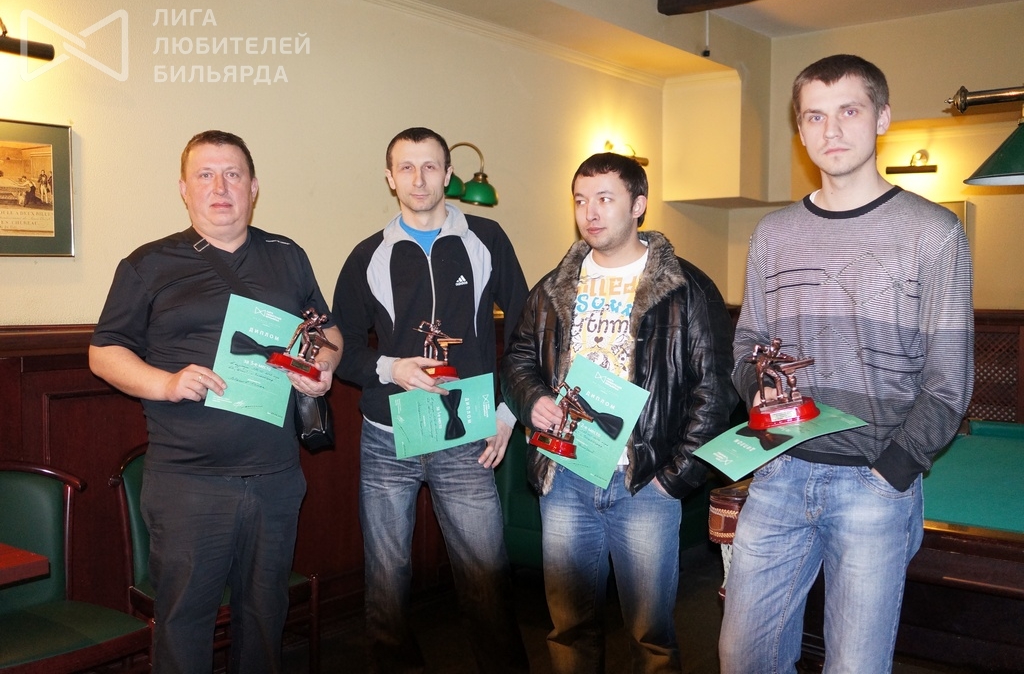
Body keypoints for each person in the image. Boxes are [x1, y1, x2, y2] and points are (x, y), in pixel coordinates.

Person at [719, 54, 974, 674]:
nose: (830, 130)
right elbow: (748, 342)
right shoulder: (773, 232)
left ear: (882, 118)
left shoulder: (934, 231)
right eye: (815, 116)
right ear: (800, 130)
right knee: (741, 658)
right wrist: (760, 389)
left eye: (849, 111)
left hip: (873, 485)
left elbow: (950, 382)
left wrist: (892, 472)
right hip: (778, 473)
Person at [89, 130, 342, 674]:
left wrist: (321, 366)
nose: (220, 187)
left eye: (233, 175)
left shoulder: (287, 256)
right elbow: (103, 352)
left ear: (254, 187)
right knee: (184, 625)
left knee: (265, 621)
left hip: (276, 476)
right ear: (184, 189)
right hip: (189, 482)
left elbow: (325, 332)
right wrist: (165, 383)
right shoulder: (147, 264)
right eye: (205, 175)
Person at [501, 152, 738, 673]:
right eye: (581, 200)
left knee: (651, 638)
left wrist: (674, 479)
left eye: (605, 199)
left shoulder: (687, 289)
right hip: (564, 475)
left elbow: (715, 392)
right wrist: (533, 398)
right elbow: (517, 357)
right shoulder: (553, 287)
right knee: (569, 631)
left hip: (645, 484)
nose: (590, 212)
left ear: (638, 205)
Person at [333, 126, 530, 673]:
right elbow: (339, 348)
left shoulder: (487, 240)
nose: (418, 179)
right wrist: (390, 367)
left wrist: (509, 411)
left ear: (448, 175)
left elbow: (527, 330)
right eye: (406, 167)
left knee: (486, 580)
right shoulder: (367, 256)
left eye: (429, 167)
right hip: (387, 439)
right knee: (386, 583)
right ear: (390, 178)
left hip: (467, 436)